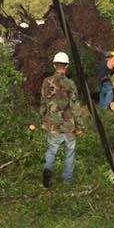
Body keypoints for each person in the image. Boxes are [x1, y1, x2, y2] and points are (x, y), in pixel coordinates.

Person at [40, 51, 85, 187]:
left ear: (54, 65)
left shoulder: (46, 82)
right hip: (68, 125)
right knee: (70, 152)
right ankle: (67, 180)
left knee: (52, 150)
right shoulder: (70, 84)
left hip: (53, 124)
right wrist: (80, 126)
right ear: (66, 66)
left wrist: (43, 118)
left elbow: (43, 103)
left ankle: (47, 173)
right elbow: (75, 107)